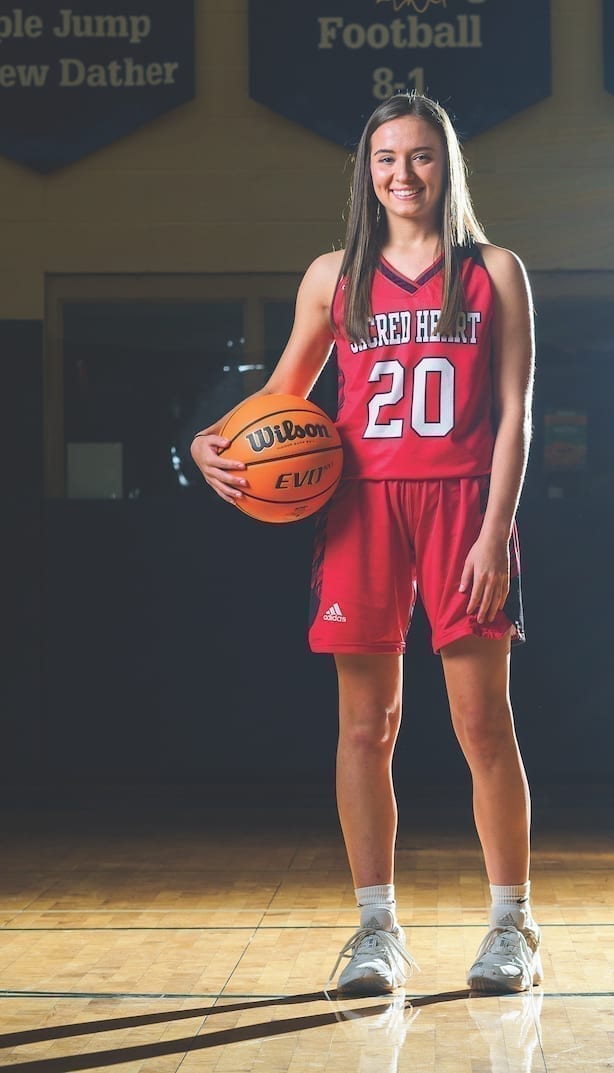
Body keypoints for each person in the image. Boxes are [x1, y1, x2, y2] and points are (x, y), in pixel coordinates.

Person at [191, 93, 541, 997]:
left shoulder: (494, 270)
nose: (403, 174)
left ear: (446, 165)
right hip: (360, 510)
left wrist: (496, 528)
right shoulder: (331, 277)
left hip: (463, 505)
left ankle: (512, 926)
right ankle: (377, 929)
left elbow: (514, 415)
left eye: (420, 156)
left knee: (481, 724)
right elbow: (282, 396)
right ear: (366, 171)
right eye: (386, 158)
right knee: (363, 725)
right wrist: (210, 441)